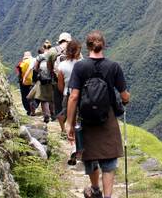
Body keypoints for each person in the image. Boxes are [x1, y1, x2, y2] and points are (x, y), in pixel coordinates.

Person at [67, 31, 130, 198]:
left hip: (86, 119)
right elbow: (124, 95)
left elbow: (73, 96)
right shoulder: (113, 67)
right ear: (104, 45)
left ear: (87, 47)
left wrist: (69, 123)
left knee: (90, 156)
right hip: (107, 118)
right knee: (109, 160)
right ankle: (107, 196)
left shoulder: (80, 67)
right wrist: (125, 100)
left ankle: (95, 189)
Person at [57, 39, 82, 158]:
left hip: (67, 95)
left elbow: (60, 85)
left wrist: (66, 93)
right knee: (80, 120)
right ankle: (80, 146)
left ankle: (73, 145)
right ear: (78, 51)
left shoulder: (62, 66)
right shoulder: (82, 64)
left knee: (70, 121)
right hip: (82, 95)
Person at [47, 32, 72, 129]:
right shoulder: (73, 50)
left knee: (58, 105)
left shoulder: (52, 51)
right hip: (71, 83)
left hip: (56, 83)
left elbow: (49, 66)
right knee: (71, 104)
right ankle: (71, 127)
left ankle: (63, 129)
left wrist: (53, 74)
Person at [33, 47, 54, 123]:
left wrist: (38, 73)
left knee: (44, 99)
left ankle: (46, 115)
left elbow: (35, 68)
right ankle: (53, 114)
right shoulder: (53, 54)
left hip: (43, 80)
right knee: (51, 98)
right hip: (52, 80)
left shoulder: (40, 57)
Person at [15, 51, 36, 116]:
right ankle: (33, 109)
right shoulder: (35, 61)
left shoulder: (21, 63)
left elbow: (18, 73)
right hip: (33, 81)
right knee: (32, 96)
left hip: (23, 82)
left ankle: (28, 110)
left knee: (25, 96)